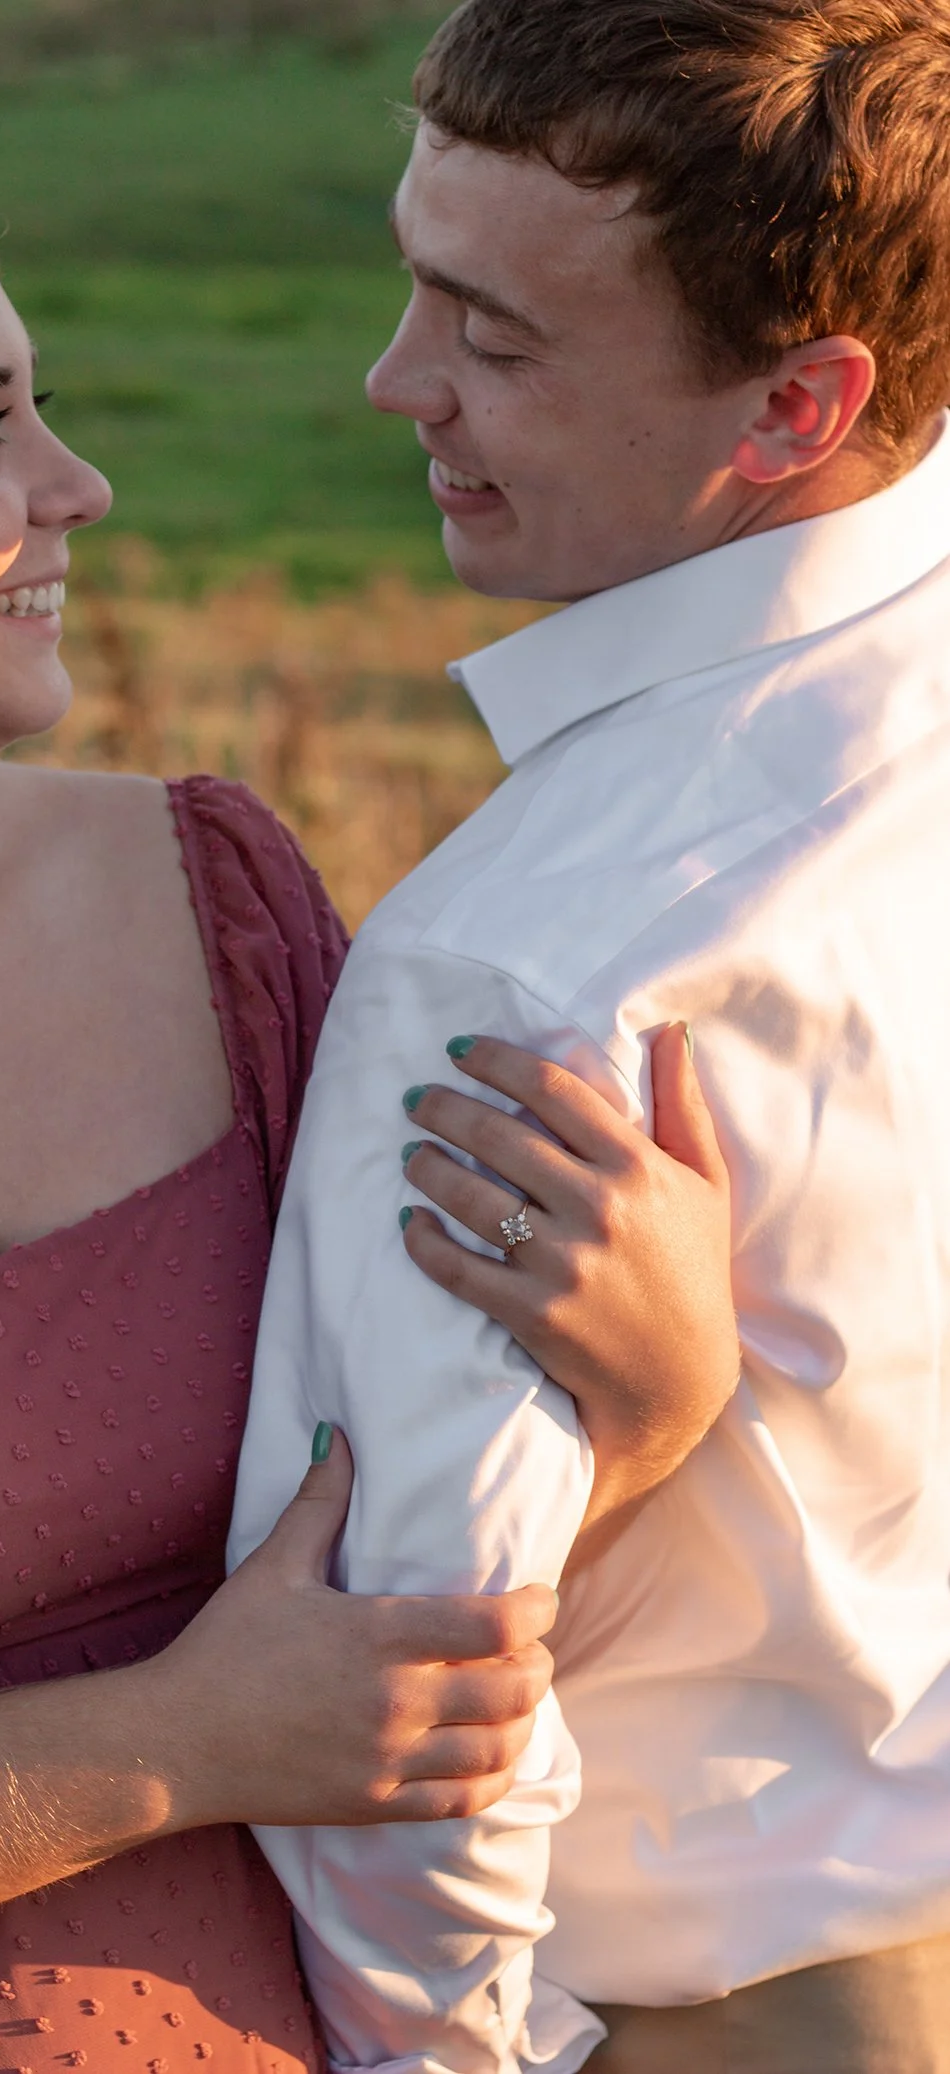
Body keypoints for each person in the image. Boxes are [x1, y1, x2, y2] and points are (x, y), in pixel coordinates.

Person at [0, 47, 741, 2074]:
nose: (77, 493)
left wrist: (648, 1392)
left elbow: (415, 1561)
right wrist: (180, 1740)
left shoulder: (218, 896)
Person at [229, 2, 950, 2071]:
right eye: (413, 278)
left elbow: (389, 1688)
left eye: (496, 337)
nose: (395, 383)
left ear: (799, 402)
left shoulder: (529, 967)